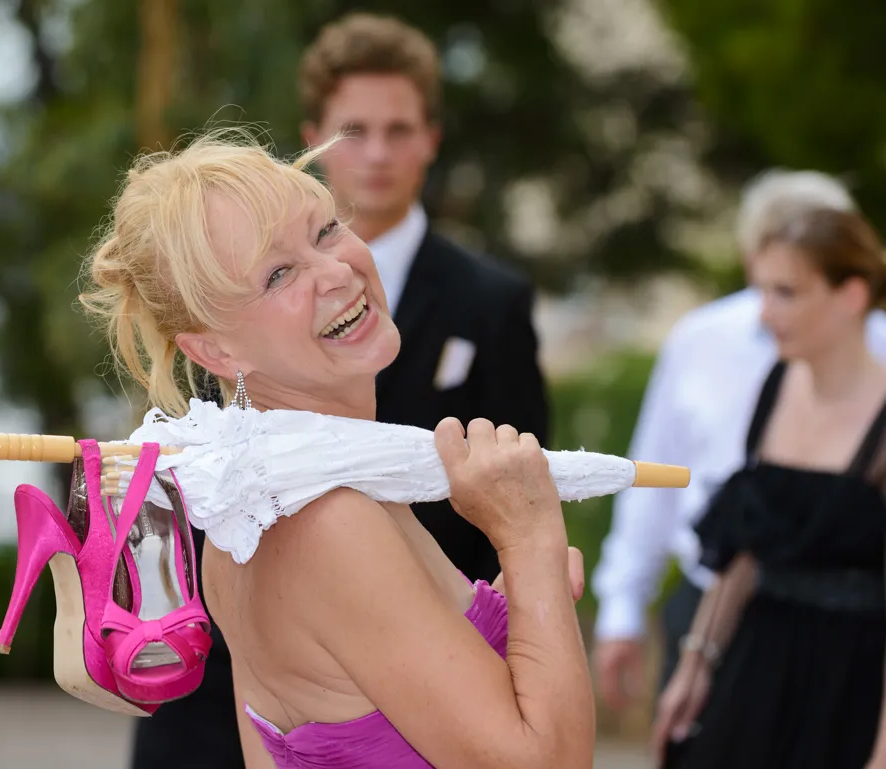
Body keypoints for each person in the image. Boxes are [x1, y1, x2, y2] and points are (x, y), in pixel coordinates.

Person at [81, 128, 594, 768]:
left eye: (325, 230)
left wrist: (529, 602)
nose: (335, 271)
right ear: (216, 351)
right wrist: (530, 538)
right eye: (277, 274)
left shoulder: (253, 514)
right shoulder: (328, 520)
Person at [590, 170, 886, 711]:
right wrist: (622, 607)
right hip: (711, 601)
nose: (769, 306)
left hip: (849, 627)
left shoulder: (879, 350)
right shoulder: (701, 340)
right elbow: (654, 472)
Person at [298, 13, 551, 585]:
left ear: (431, 141)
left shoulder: (494, 301)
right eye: (355, 131)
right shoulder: (258, 289)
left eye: (400, 130)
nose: (379, 153)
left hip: (447, 619)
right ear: (313, 140)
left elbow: (524, 487)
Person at [650, 205, 886, 768]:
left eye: (787, 292)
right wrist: (695, 666)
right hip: (755, 664)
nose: (765, 312)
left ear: (851, 296)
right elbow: (746, 550)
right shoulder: (775, 384)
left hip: (850, 682)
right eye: (761, 290)